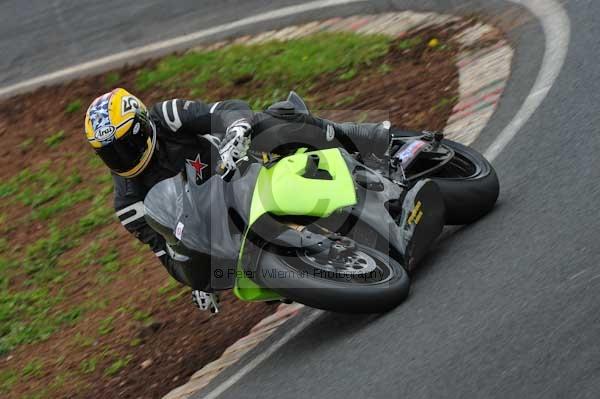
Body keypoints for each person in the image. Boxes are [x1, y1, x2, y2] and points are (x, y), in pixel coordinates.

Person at [84, 88, 391, 311]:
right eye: (110, 152)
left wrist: (236, 127)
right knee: (222, 274)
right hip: (215, 224)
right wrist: (193, 278)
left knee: (267, 122)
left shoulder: (167, 116)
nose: (121, 157)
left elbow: (223, 109)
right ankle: (297, 266)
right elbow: (164, 252)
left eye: (127, 144)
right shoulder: (128, 205)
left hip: (239, 162)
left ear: (143, 125)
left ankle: (356, 135)